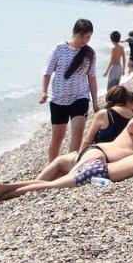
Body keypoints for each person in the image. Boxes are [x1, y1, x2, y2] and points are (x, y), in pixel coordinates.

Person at [0, 110, 133, 204]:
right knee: (56, 184)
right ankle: (7, 191)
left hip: (103, 169)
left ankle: (8, 188)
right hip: (101, 156)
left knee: (57, 182)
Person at [41, 20, 98, 161]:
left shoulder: (89, 53)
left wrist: (95, 102)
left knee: (77, 134)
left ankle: (69, 168)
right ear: (74, 33)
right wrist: (43, 92)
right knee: (58, 137)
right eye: (82, 36)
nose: (84, 40)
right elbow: (47, 72)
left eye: (88, 37)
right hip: (58, 99)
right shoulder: (59, 48)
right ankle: (52, 167)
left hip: (81, 97)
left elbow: (92, 78)